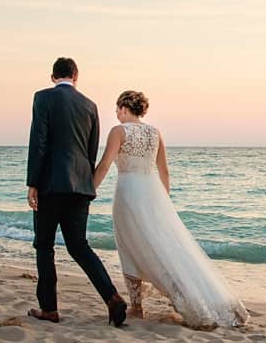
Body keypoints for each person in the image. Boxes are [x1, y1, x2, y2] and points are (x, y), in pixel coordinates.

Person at [92, 90, 249, 328]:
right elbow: (164, 171)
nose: (115, 113)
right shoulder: (155, 133)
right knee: (166, 247)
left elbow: (104, 165)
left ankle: (137, 307)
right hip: (153, 194)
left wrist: (89, 190)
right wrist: (163, 201)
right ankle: (199, 297)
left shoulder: (118, 131)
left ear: (124, 108)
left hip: (128, 194)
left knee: (129, 247)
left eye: (117, 109)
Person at [26, 57, 127, 327]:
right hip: (81, 186)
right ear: (76, 76)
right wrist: (84, 180)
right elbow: (91, 149)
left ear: (52, 77)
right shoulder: (90, 105)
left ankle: (49, 309)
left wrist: (32, 182)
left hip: (51, 185)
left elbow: (39, 142)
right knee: (79, 246)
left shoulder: (43, 98)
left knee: (44, 245)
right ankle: (113, 297)